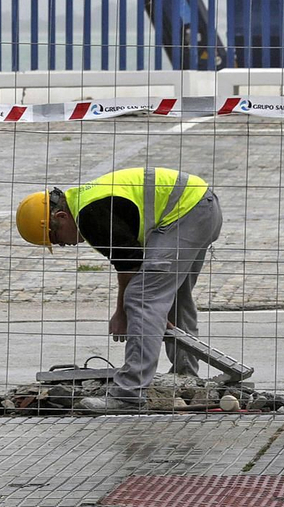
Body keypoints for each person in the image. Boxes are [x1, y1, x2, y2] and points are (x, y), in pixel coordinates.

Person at [16, 167, 222, 413]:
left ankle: (129, 394)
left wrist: (123, 313)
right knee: (173, 298)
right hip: (201, 207)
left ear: (61, 216)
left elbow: (130, 264)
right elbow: (131, 260)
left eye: (56, 238)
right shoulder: (86, 202)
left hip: (188, 212)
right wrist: (151, 315)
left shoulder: (89, 215)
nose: (63, 244)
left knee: (141, 298)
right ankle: (186, 379)